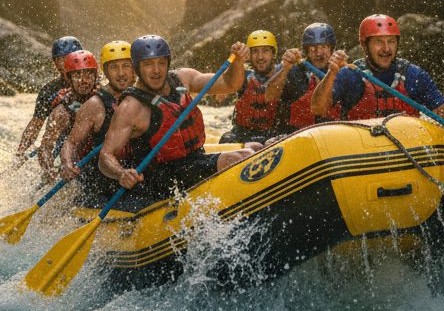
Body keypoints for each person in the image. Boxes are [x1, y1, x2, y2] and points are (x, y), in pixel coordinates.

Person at [98, 35, 256, 203]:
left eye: (161, 63)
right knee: (239, 158)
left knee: (252, 151)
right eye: (148, 64)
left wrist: (238, 62)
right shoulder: (131, 107)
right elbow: (105, 155)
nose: (156, 70)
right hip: (162, 179)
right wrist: (121, 173)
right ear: (137, 69)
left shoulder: (183, 78)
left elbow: (229, 84)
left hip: (194, 160)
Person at [310, 13, 444, 140]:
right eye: (379, 42)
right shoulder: (350, 75)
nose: (386, 48)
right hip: (361, 149)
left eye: (391, 41)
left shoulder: (413, 75)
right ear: (365, 46)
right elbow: (318, 108)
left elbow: (443, 110)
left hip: (406, 147)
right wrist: (331, 73)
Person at [58, 41, 134, 203]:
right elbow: (70, 143)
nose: (121, 73)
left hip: (134, 172)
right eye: (114, 67)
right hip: (102, 184)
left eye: (126, 66)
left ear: (134, 69)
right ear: (106, 72)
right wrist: (66, 163)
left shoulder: (142, 95)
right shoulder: (94, 105)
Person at [264, 22, 341, 131]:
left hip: (331, 135)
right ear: (306, 51)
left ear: (331, 48)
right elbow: (269, 97)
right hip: (294, 135)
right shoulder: (294, 71)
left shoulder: (342, 72)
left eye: (324, 46)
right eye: (313, 48)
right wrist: (285, 68)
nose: (319, 53)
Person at [14, 36, 82, 160]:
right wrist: (20, 153)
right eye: (61, 60)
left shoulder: (91, 81)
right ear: (55, 63)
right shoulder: (48, 91)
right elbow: (35, 125)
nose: (66, 63)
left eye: (70, 58)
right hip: (61, 139)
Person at [37, 49, 98, 181]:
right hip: (73, 155)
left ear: (96, 77)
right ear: (69, 79)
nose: (84, 80)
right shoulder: (61, 112)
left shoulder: (104, 95)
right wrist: (49, 169)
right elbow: (45, 148)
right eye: (77, 75)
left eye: (88, 75)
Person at [222, 30, 282, 143]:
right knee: (226, 139)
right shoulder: (243, 75)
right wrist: (236, 60)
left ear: (273, 53)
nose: (260, 57)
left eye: (265, 51)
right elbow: (223, 87)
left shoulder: (285, 73)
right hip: (243, 135)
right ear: (249, 55)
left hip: (273, 135)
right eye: (255, 51)